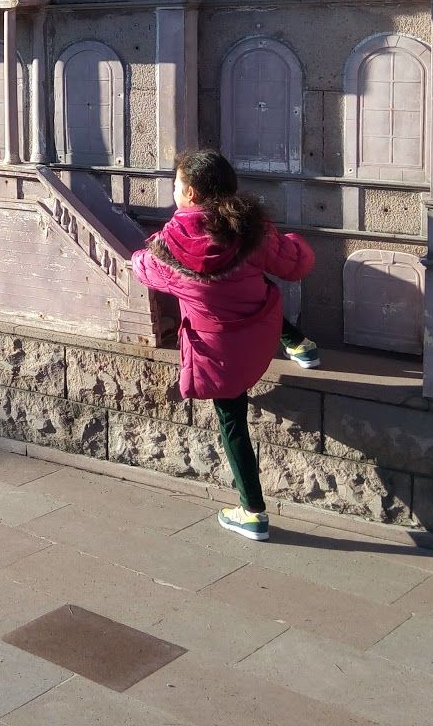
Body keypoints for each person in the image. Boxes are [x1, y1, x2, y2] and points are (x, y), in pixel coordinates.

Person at [130, 149, 317, 541]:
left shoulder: (169, 247)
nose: (175, 191)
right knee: (258, 285)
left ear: (193, 195)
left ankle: (252, 513)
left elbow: (142, 267)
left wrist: (143, 250)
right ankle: (300, 345)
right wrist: (288, 240)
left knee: (232, 422)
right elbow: (296, 264)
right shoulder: (249, 228)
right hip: (260, 335)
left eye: (178, 185)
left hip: (218, 356)